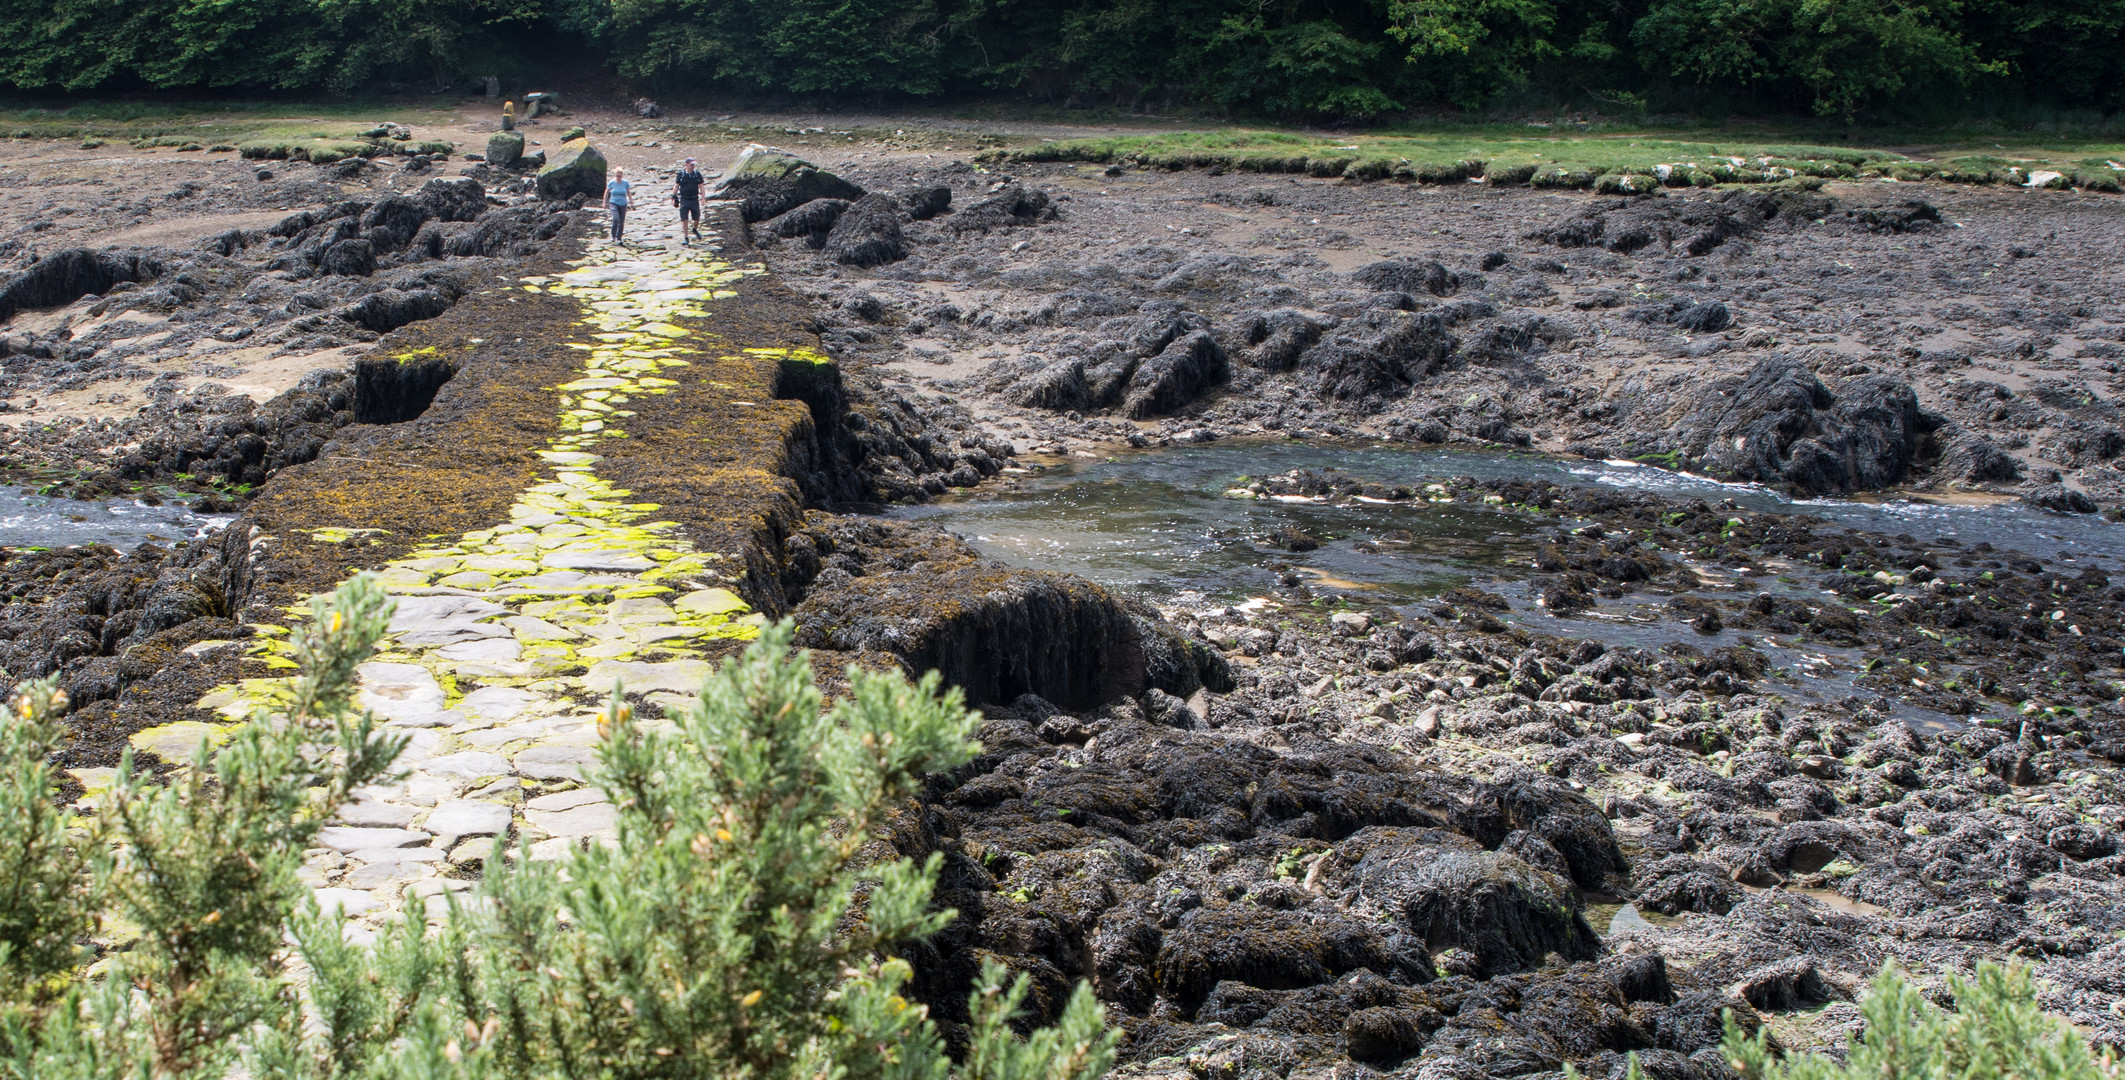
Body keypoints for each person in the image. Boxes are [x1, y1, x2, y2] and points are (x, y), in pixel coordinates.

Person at [673, 157, 705, 245]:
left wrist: (703, 198)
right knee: (685, 219)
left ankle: (694, 229)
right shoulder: (681, 174)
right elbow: (676, 185)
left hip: (694, 199)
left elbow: (701, 186)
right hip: (684, 199)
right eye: (691, 164)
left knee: (696, 218)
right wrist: (673, 196)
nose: (693, 166)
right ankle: (686, 238)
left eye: (693, 165)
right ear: (686, 164)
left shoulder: (697, 174)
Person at [605, 168, 632, 244]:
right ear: (615, 175)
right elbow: (606, 192)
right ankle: (613, 236)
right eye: (617, 176)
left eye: (620, 176)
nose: (618, 178)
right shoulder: (611, 183)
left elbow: (629, 192)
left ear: (622, 175)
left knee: (621, 221)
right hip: (613, 203)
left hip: (623, 204)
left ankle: (619, 238)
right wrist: (604, 203)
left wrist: (631, 201)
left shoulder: (625, 183)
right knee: (616, 218)